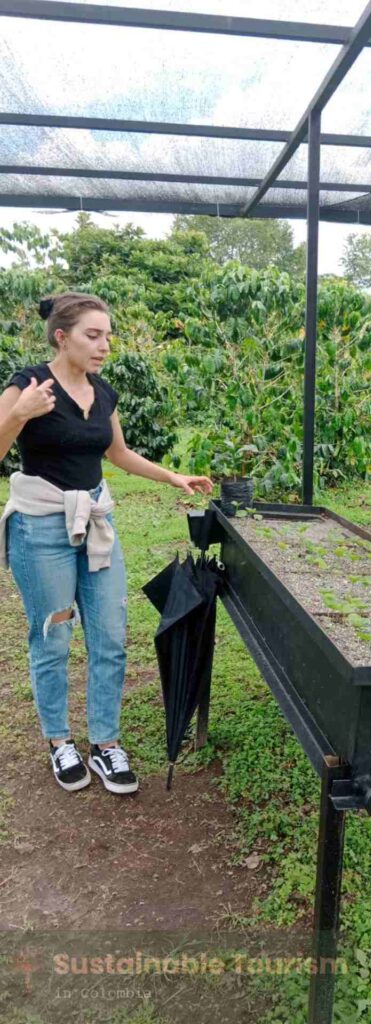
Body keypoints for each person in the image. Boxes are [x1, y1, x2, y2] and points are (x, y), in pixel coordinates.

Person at [0, 293, 212, 795]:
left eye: (108, 335)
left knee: (111, 636)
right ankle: (59, 742)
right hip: (42, 528)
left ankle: (106, 744)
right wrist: (19, 414)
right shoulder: (27, 384)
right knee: (53, 639)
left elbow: (117, 453)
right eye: (93, 335)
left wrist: (172, 476)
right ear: (62, 336)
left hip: (96, 525)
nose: (104, 345)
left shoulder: (104, 391)